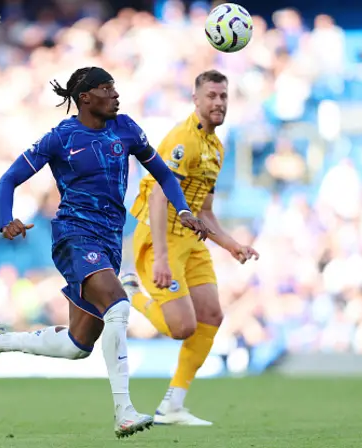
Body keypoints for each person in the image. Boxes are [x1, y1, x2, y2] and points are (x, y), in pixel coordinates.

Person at [0, 67, 211, 438]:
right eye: (106, 89)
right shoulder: (61, 138)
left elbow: (164, 175)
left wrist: (182, 209)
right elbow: (8, 180)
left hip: (109, 241)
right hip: (74, 235)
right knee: (117, 306)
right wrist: (7, 219)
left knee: (77, 345)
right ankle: (124, 412)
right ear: (85, 98)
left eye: (114, 88)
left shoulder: (126, 128)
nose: (116, 95)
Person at [122, 70, 259, 426]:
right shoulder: (185, 140)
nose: (218, 102)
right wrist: (162, 259)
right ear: (196, 100)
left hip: (191, 239)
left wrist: (231, 245)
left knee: (211, 316)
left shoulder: (217, 147)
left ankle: (172, 406)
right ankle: (130, 295)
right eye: (211, 96)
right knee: (182, 327)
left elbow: (205, 210)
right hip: (160, 239)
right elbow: (156, 195)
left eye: (223, 96)